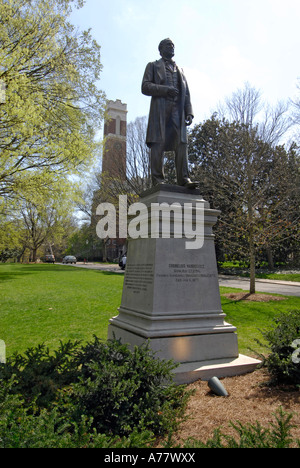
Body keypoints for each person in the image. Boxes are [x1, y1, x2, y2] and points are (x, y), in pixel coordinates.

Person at [142, 38, 197, 188]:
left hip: (177, 110)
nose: (171, 47)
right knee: (158, 142)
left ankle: (184, 179)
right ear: (161, 49)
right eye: (168, 45)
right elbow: (145, 87)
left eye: (173, 45)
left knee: (182, 142)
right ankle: (158, 180)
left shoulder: (180, 70)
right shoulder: (153, 66)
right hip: (160, 108)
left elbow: (186, 93)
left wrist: (189, 111)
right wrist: (165, 90)